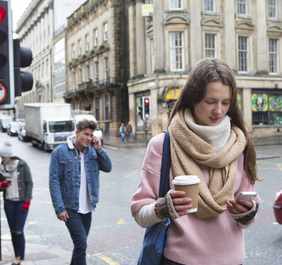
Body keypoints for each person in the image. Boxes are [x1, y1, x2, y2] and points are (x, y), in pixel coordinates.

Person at [130, 58, 261, 265]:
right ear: (193, 98)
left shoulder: (239, 145)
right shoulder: (162, 145)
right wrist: (163, 208)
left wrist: (246, 213)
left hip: (232, 260)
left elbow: (247, 219)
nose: (218, 111)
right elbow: (139, 212)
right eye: (210, 102)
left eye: (225, 102)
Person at [49, 119, 112, 264]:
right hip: (70, 207)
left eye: (91, 135)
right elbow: (54, 182)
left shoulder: (93, 151)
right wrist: (59, 208)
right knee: (81, 243)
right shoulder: (59, 152)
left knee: (80, 245)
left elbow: (108, 168)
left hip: (87, 207)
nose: (89, 138)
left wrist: (99, 150)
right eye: (86, 134)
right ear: (77, 133)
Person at [0, 141, 33, 265]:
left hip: (21, 203)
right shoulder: (1, 168)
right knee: (13, 231)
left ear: (10, 156)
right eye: (1, 157)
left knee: (19, 230)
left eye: (4, 157)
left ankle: (22, 259)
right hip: (9, 203)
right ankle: (16, 257)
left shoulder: (22, 165)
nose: (2, 159)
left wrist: (27, 200)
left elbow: (29, 183)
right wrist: (2, 185)